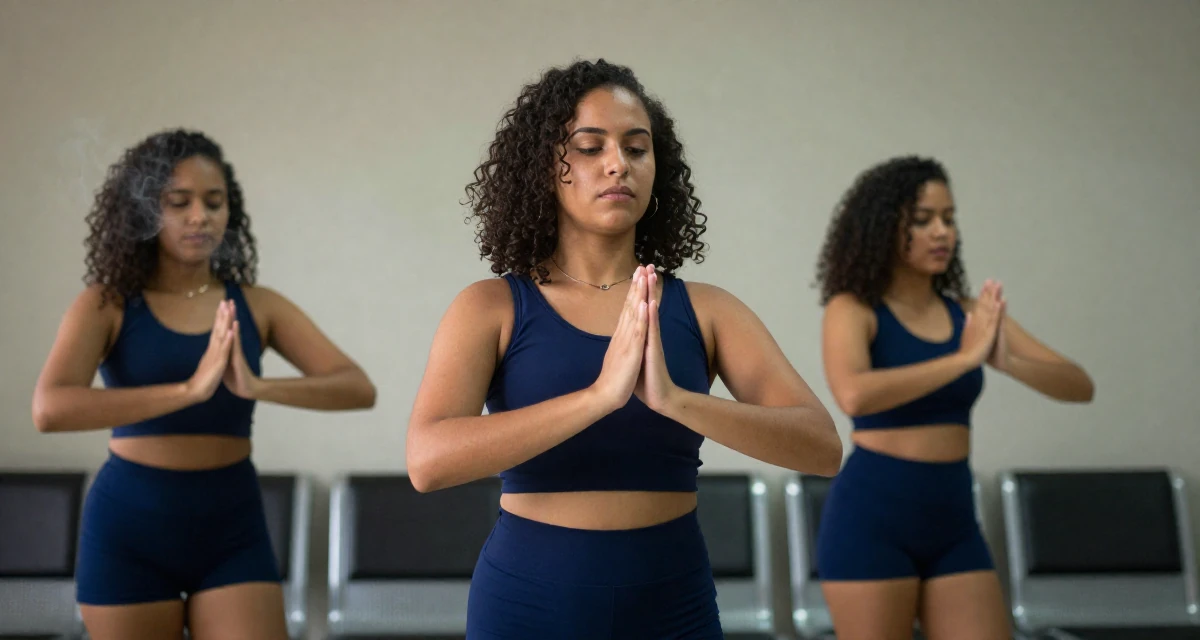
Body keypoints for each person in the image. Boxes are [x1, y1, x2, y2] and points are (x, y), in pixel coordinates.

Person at [406, 58, 842, 638]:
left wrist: (678, 401)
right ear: (546, 168)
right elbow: (428, 462)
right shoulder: (490, 307)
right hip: (528, 605)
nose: (618, 164)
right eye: (590, 147)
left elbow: (822, 448)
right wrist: (596, 398)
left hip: (673, 606)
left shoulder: (708, 310)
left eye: (637, 149)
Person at [31, 129, 377, 640]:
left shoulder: (258, 304)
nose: (201, 216)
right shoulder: (105, 303)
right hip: (130, 526)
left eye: (214, 203)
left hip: (231, 523)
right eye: (180, 202)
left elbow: (356, 387)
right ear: (147, 210)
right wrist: (188, 390)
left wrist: (258, 387)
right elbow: (50, 409)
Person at [812, 155, 1095, 640]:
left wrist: (1009, 363)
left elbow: (1078, 384)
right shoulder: (853, 308)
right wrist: (962, 361)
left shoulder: (970, 314)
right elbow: (855, 395)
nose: (942, 232)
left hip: (953, 521)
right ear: (884, 227)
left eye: (948, 218)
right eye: (922, 220)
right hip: (872, 520)